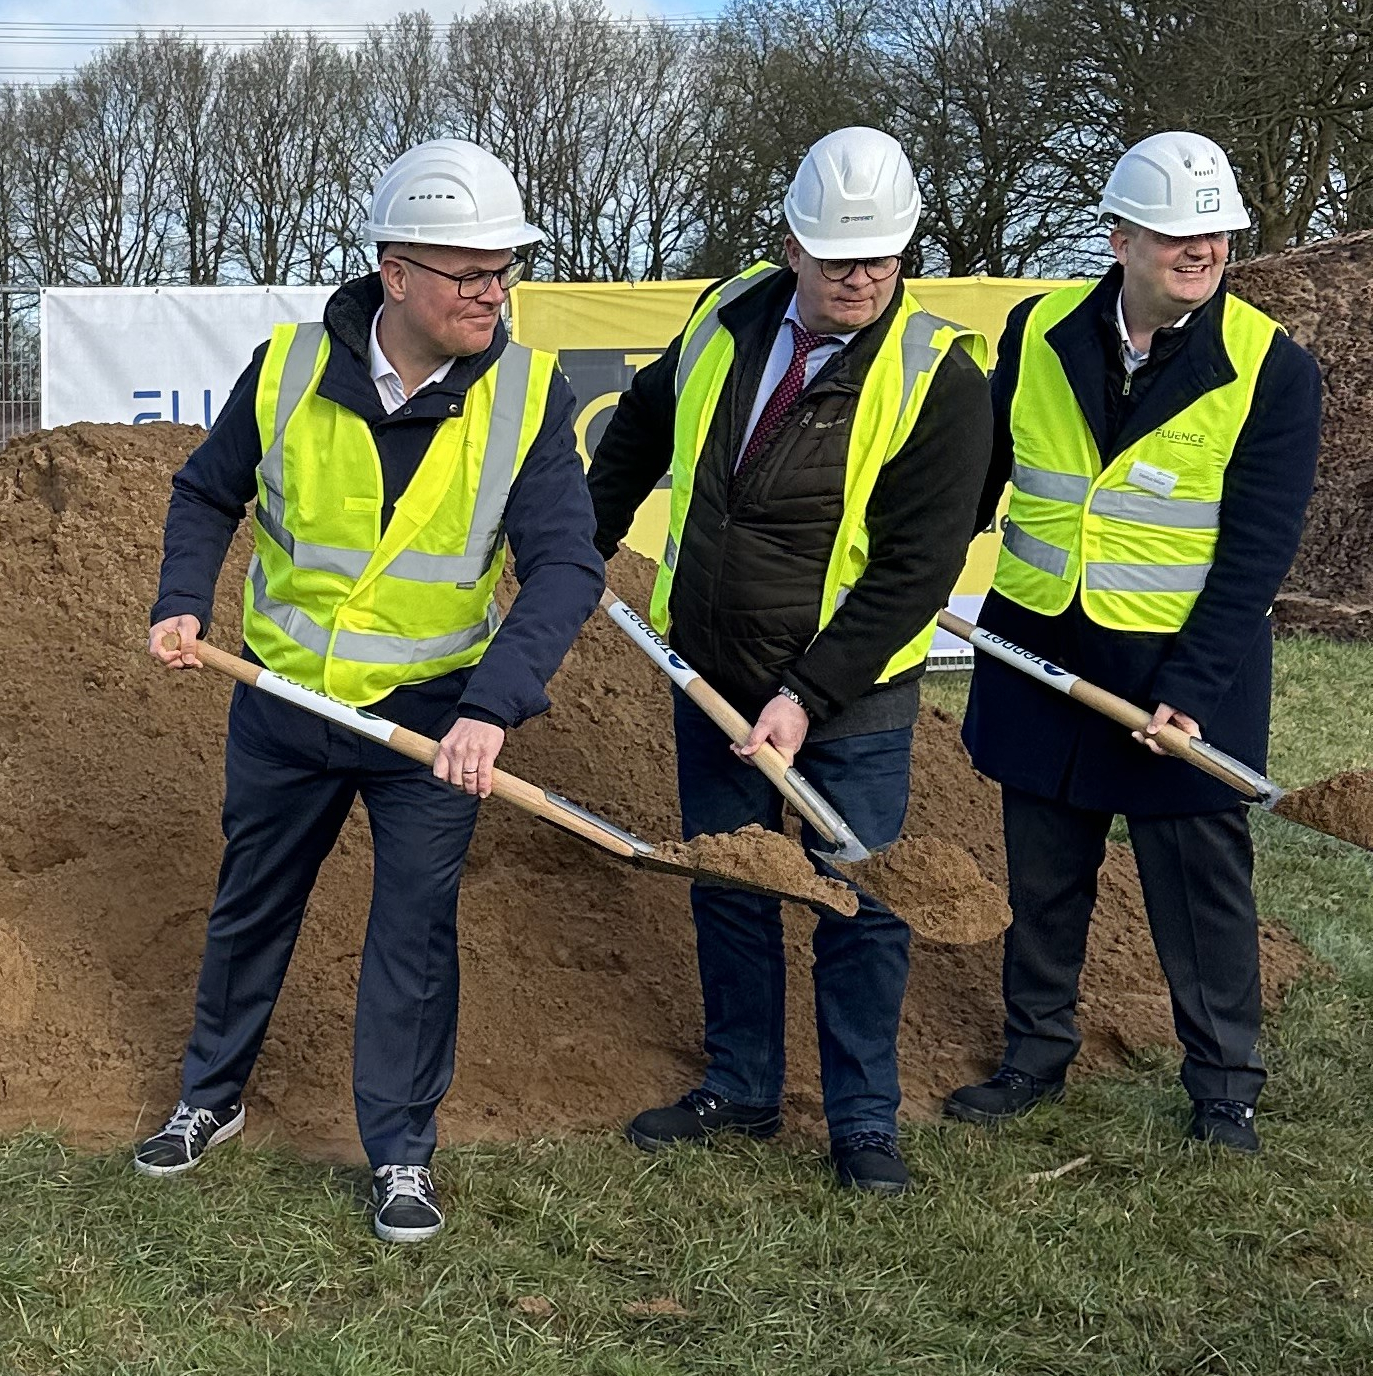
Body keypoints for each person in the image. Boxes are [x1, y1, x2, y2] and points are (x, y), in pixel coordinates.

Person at [133, 138, 604, 1243]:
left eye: (504, 271)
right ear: (395, 273)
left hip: (432, 720)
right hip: (284, 705)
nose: (493, 292)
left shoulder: (531, 394)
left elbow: (567, 564)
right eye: (467, 272)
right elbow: (206, 491)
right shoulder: (289, 367)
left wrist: (492, 706)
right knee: (251, 905)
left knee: (411, 932)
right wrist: (183, 597)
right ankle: (211, 1096)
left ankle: (400, 1151)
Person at [584, 127, 992, 1195]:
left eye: (882, 256)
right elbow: (637, 428)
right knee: (729, 882)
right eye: (835, 255)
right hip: (707, 673)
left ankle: (862, 1119)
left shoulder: (939, 378)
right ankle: (742, 1083)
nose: (859, 276)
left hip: (846, 698)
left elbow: (915, 569)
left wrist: (807, 696)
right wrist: (578, 538)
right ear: (789, 243)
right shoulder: (726, 311)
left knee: (856, 897)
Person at [943, 132, 1321, 1155]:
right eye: (1174, 233)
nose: (1199, 250)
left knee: (1199, 890)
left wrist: (1192, 688)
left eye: (1214, 234)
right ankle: (1032, 1055)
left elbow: (1255, 554)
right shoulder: (1036, 332)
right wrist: (919, 568)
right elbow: (977, 480)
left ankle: (1222, 1088)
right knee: (1043, 873)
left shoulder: (1270, 371)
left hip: (1181, 673)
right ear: (1119, 238)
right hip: (1039, 654)